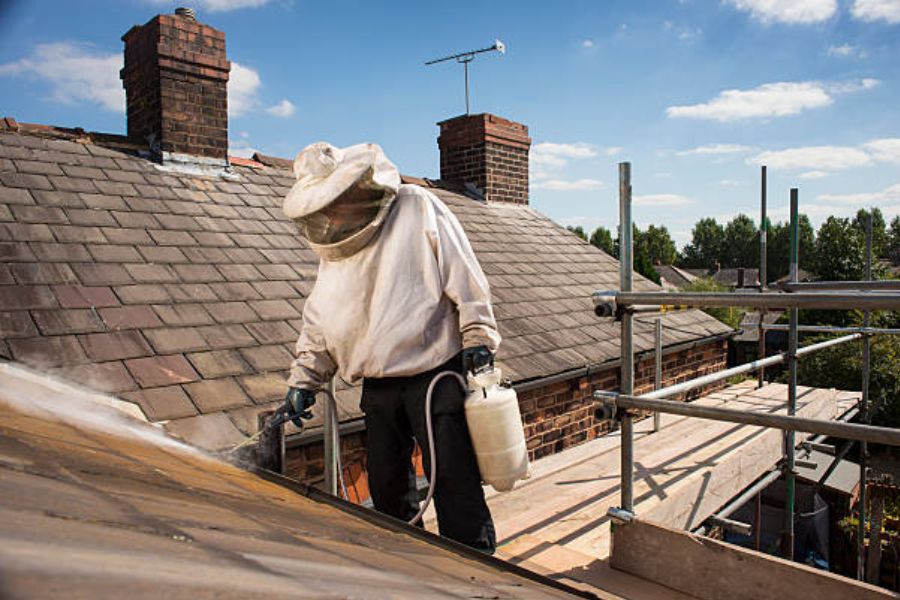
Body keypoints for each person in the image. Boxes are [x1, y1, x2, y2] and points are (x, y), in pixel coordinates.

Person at [281, 141, 499, 553]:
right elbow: (323, 320)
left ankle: (477, 570)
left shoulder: (417, 206)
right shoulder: (337, 247)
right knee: (385, 485)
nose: (328, 216)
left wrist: (478, 335)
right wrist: (303, 381)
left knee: (453, 479)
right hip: (378, 385)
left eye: (334, 203)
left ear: (357, 190)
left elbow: (464, 272)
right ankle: (406, 564)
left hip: (434, 371)